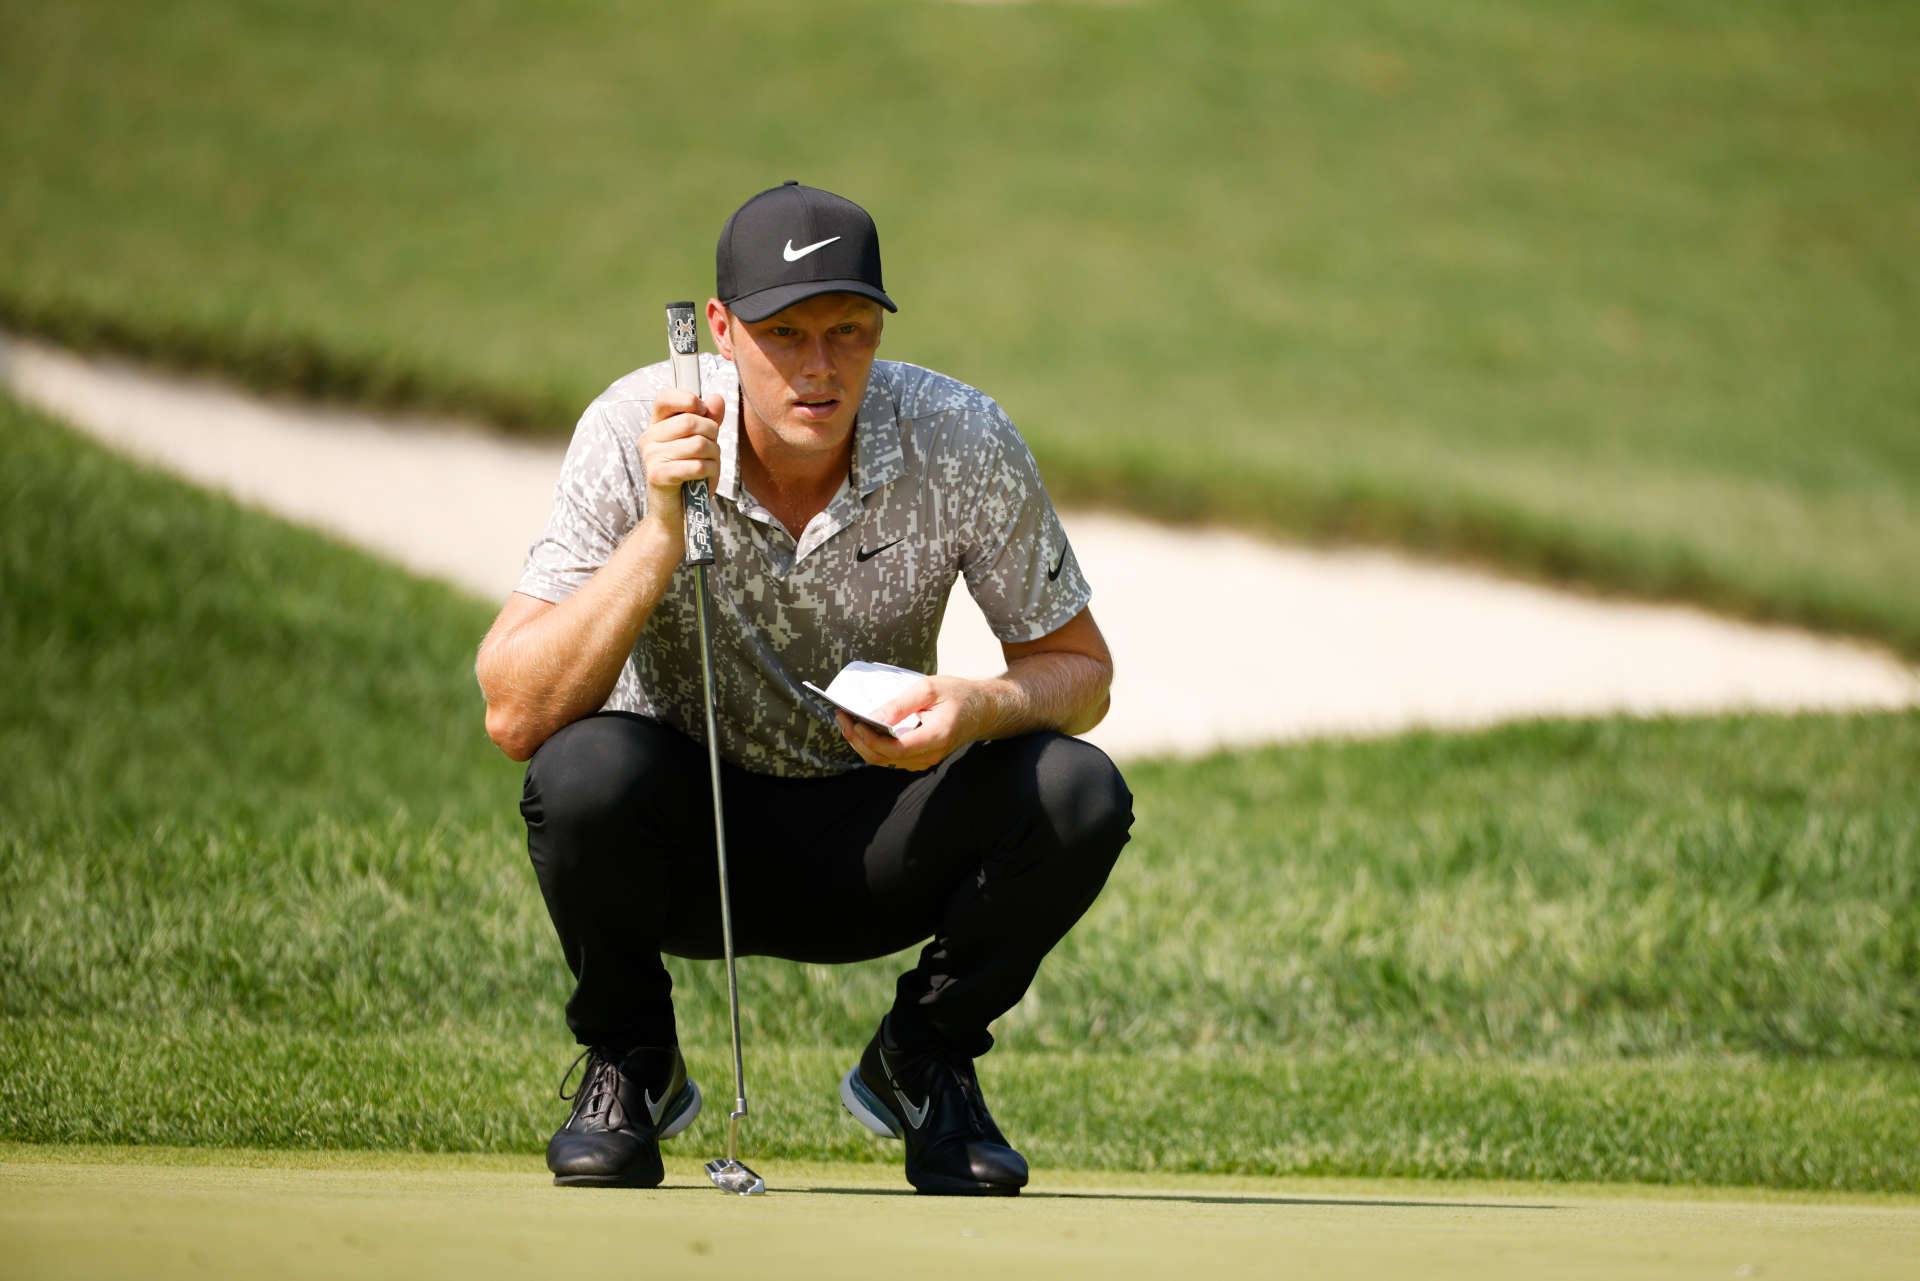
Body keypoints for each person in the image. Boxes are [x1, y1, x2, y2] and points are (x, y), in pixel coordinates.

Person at [475, 181, 1132, 1197]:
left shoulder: (961, 436)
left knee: (1077, 788)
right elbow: (514, 712)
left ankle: (925, 1056)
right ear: (723, 330)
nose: (820, 368)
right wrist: (659, 531)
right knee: (582, 770)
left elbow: (1083, 672)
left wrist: (973, 705)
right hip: (690, 847)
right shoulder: (631, 427)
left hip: (877, 831)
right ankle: (631, 1062)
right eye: (785, 334)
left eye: (849, 330)